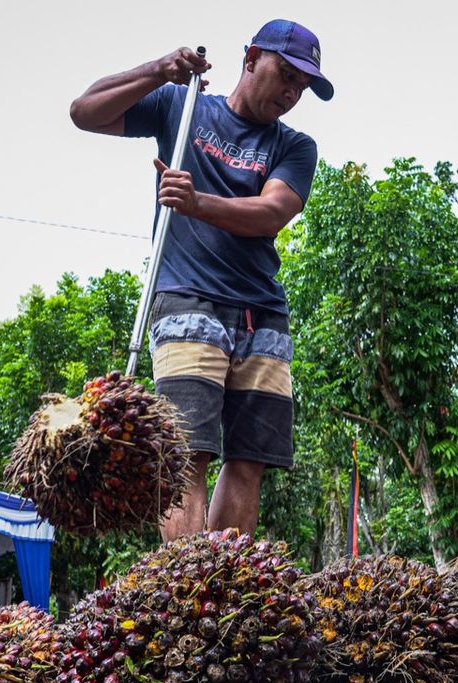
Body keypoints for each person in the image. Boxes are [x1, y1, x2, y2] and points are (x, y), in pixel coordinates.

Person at [70, 20, 333, 542]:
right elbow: (84, 112)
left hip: (262, 312)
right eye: (286, 74)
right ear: (252, 57)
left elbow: (271, 211)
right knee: (187, 451)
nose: (290, 93)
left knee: (249, 458)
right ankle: (182, 591)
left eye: (301, 87)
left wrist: (196, 203)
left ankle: (226, 588)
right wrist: (157, 70)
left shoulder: (296, 146)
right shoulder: (181, 105)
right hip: (187, 300)